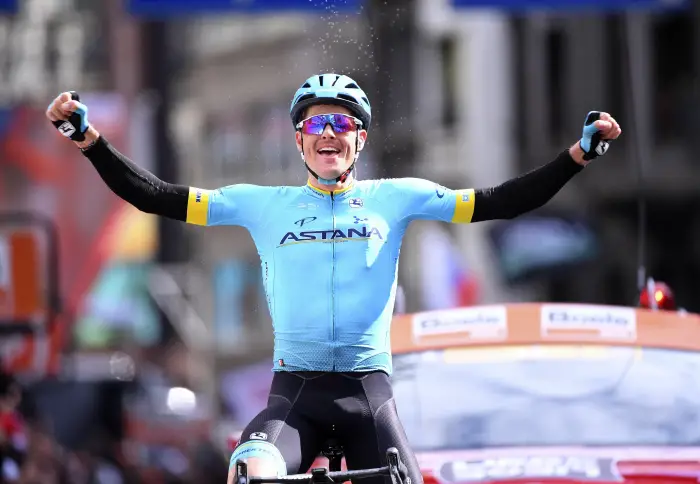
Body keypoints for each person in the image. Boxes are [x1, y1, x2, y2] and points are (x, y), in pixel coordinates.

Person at [46, 74, 621, 484]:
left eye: (342, 122)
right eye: (315, 122)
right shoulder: (261, 204)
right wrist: (88, 141)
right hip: (293, 395)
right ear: (299, 139)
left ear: (359, 138)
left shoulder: (397, 197)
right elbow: (155, 197)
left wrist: (578, 155)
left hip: (368, 395)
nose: (328, 131)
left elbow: (503, 202)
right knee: (250, 470)